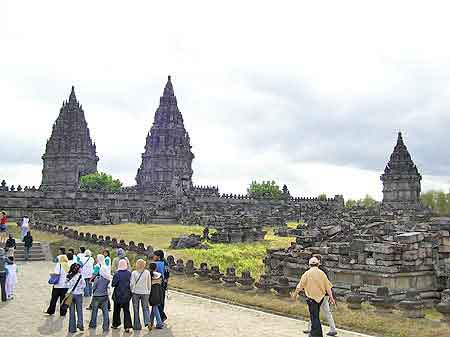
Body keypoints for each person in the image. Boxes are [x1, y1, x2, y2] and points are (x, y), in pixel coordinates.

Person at [292, 257, 335, 337]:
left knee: (314, 317)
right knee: (315, 316)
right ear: (318, 264)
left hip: (311, 298)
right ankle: (314, 333)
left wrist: (295, 294)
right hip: (321, 298)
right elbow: (328, 287)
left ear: (309, 265)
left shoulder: (307, 273)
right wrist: (331, 298)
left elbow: (299, 286)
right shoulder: (322, 273)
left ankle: (315, 334)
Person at [304, 255, 338, 336]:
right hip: (320, 294)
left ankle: (332, 329)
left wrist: (330, 295)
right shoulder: (320, 269)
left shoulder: (321, 270)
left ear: (318, 261)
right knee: (314, 312)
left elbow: (326, 284)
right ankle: (311, 328)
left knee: (322, 311)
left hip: (322, 294)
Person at [89, 255, 111, 332]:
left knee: (94, 311)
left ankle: (93, 325)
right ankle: (106, 327)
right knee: (105, 312)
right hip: (105, 296)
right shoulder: (107, 279)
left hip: (96, 296)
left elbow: (93, 288)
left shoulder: (97, 279)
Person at [130, 259, 151, 331]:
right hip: (145, 292)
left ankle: (137, 326)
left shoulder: (134, 273)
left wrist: (131, 290)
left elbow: (132, 284)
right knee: (145, 308)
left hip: (135, 292)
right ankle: (148, 322)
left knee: (136, 309)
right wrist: (149, 291)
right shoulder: (147, 272)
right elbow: (149, 283)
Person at [111, 259, 132, 332]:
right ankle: (127, 326)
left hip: (118, 295)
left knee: (116, 310)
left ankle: (115, 324)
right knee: (126, 311)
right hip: (127, 295)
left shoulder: (116, 274)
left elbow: (113, 284)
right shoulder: (129, 273)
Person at [65, 263, 86, 333]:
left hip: (70, 295)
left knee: (72, 312)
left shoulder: (69, 276)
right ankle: (80, 325)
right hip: (79, 295)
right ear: (78, 269)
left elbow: (66, 284)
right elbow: (84, 285)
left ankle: (72, 329)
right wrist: (79, 288)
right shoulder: (80, 276)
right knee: (79, 311)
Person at [152, 250, 168, 321]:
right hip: (164, 283)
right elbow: (167, 273)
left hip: (158, 283)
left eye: (154, 255)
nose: (153, 256)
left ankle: (162, 315)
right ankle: (161, 316)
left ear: (158, 256)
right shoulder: (165, 262)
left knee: (157, 300)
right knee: (162, 299)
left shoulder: (157, 263)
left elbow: (154, 274)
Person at [149, 262, 164, 330]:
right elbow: (163, 285)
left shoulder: (149, 275)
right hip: (159, 293)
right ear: (156, 268)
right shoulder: (160, 275)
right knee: (154, 307)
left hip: (152, 293)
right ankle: (151, 322)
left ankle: (159, 323)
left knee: (154, 306)